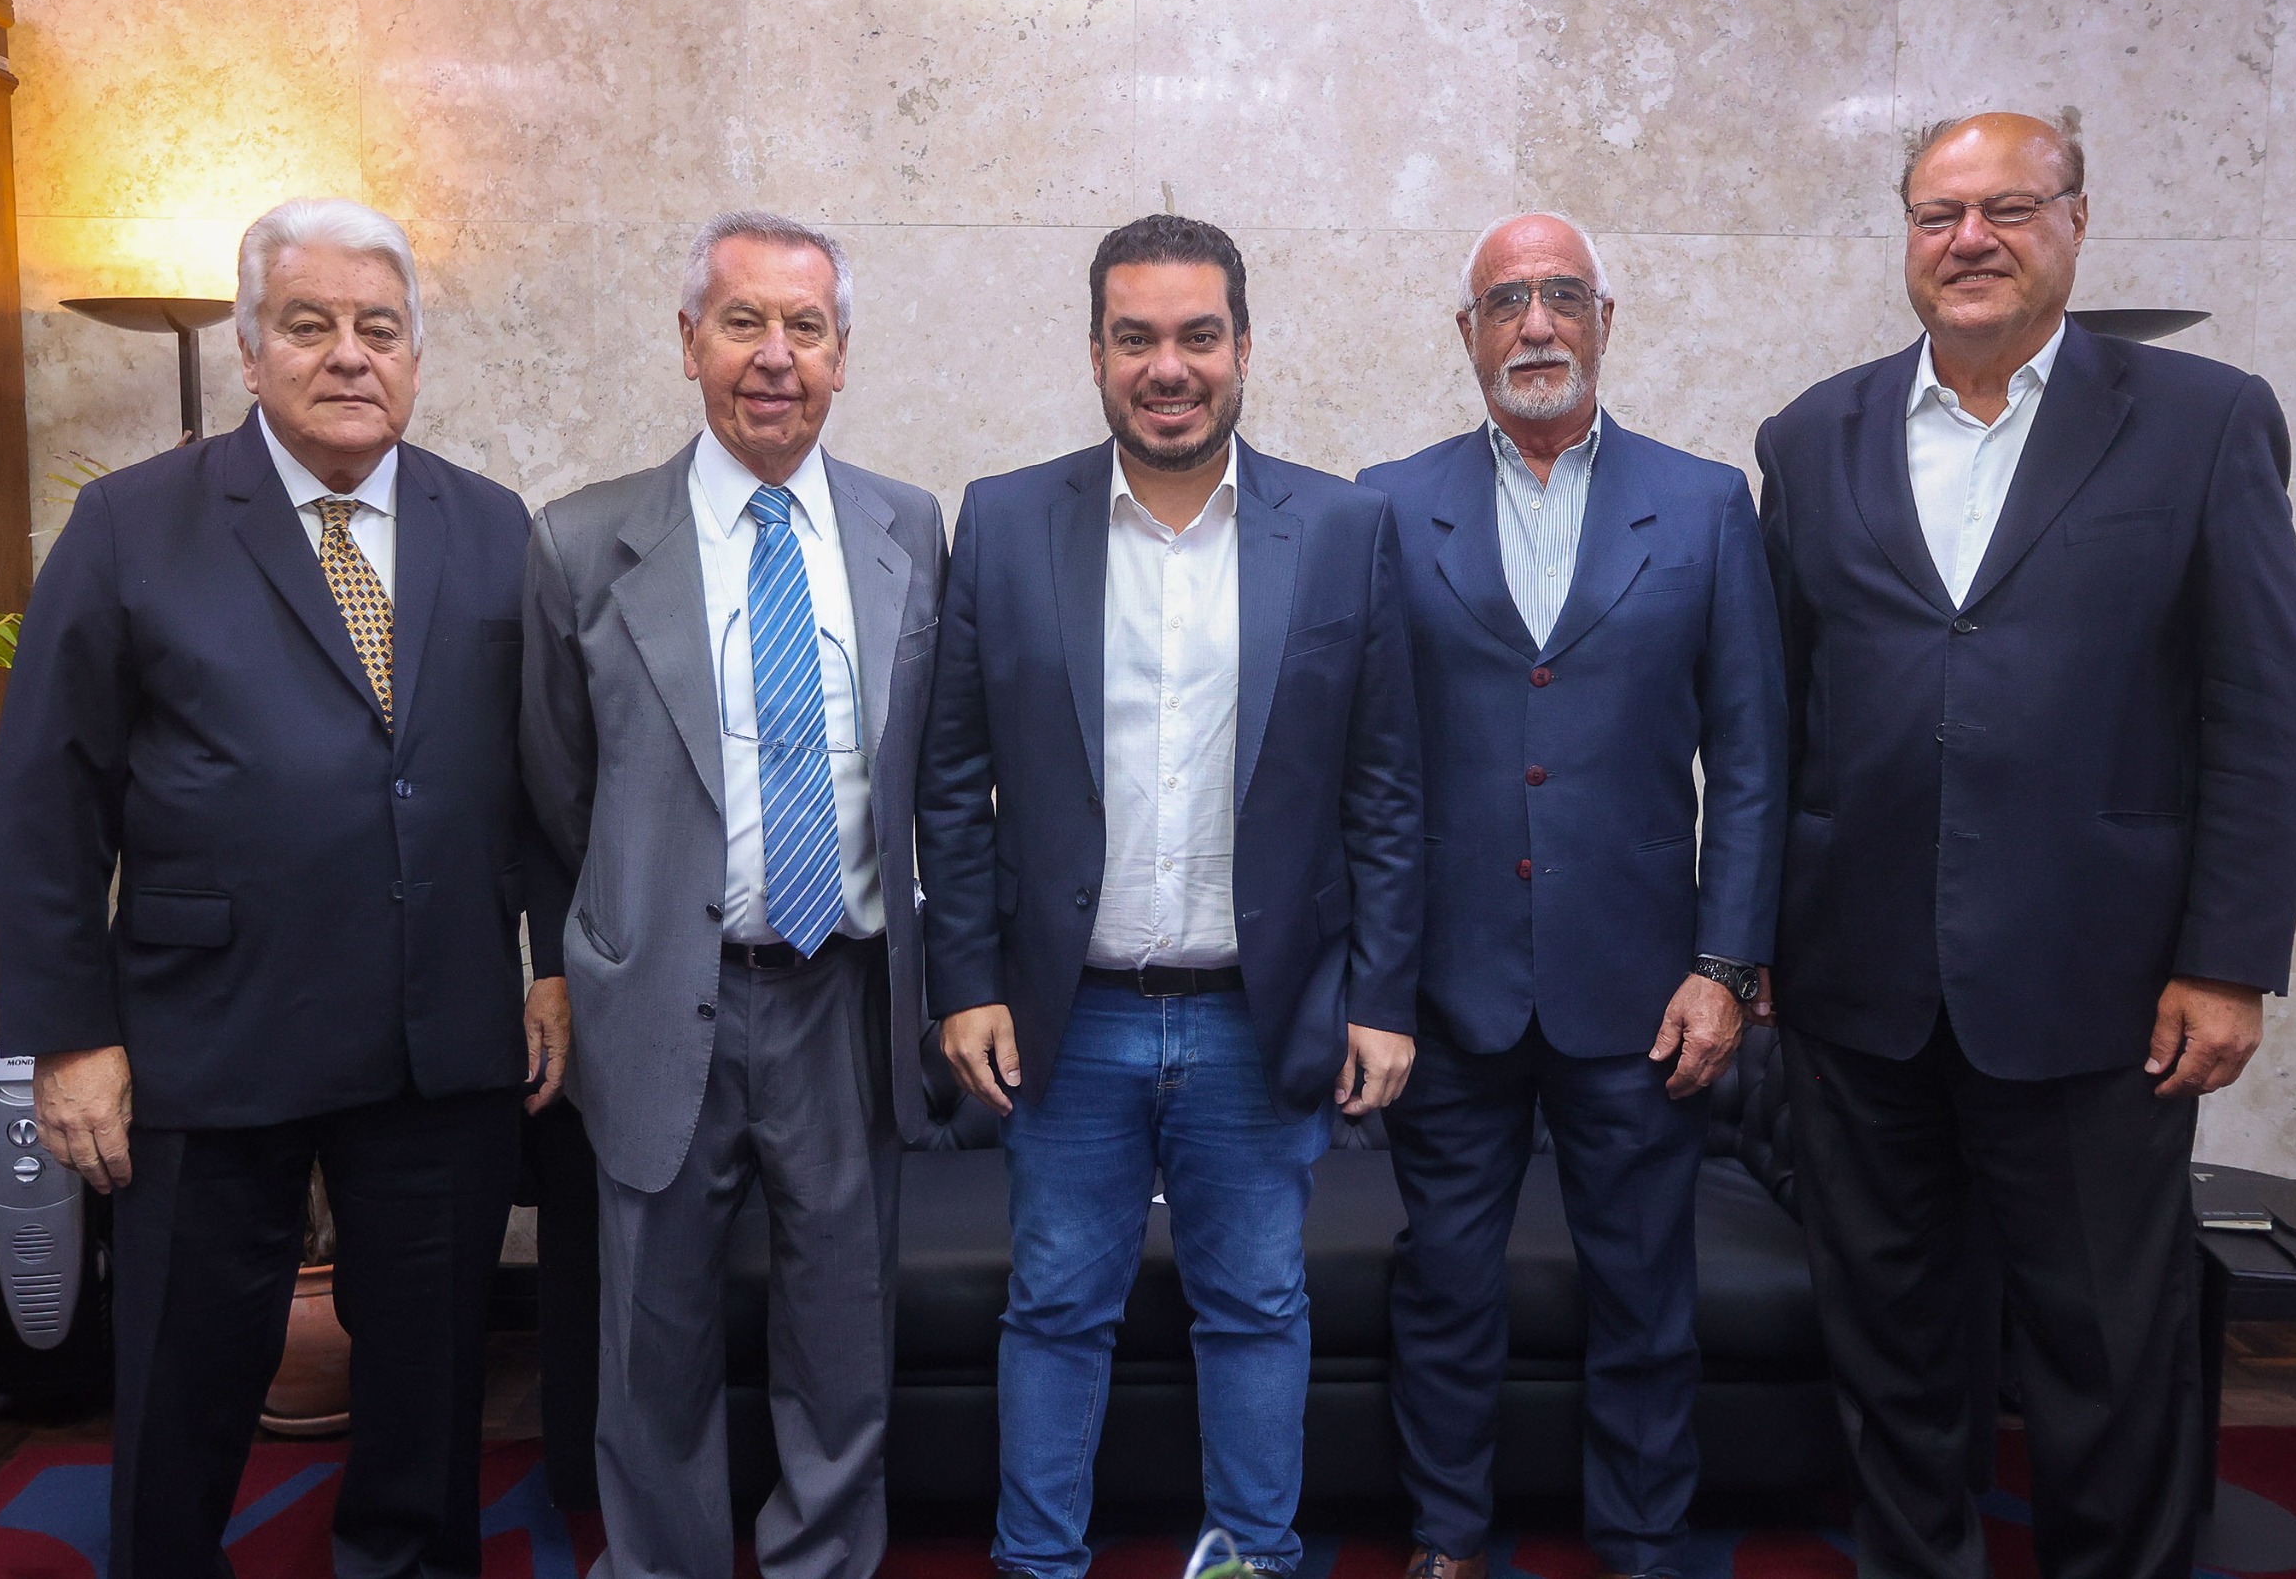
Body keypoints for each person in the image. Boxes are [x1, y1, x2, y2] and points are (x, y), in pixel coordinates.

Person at [1755, 111, 2296, 1579]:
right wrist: (1754, 942)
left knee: (2106, 1357)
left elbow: (2259, 708)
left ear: (2076, 220)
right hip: (1856, 986)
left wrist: (2229, 960)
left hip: (2100, 985)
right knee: (1891, 1350)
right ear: (1906, 235)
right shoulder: (1809, 437)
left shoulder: (2203, 420)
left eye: (2009, 207)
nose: (1971, 240)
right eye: (1939, 213)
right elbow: (1782, 719)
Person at [0, 197, 571, 1578]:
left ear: (416, 354)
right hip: (212, 1029)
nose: (349, 354)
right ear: (249, 351)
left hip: (438, 1037)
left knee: (430, 1380)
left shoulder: (492, 525)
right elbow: (47, 795)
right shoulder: (133, 522)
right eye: (310, 325)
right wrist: (68, 1037)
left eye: (380, 327)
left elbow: (540, 775)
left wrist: (547, 962)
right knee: (186, 1375)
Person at [918, 214, 1424, 1579]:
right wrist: (964, 978)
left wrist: (1382, 995)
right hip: (1066, 1016)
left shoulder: (1342, 528)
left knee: (1257, 1310)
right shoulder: (1006, 521)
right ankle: (1038, 1565)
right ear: (1094, 353)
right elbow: (952, 779)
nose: (1169, 366)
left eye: (1199, 335)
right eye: (1135, 337)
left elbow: (1384, 786)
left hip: (1259, 1016)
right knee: (1055, 1310)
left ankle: (1250, 1562)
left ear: (1244, 347)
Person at [1359, 212, 1785, 1579]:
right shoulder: (1387, 504)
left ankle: (1643, 1542)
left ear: (1606, 319)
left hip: (1644, 990)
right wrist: (1372, 980)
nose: (1534, 322)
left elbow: (1755, 758)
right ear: (1466, 333)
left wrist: (1726, 965)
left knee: (1647, 1291)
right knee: (1444, 1285)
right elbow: (1367, 760)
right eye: (1506, 300)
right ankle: (1445, 1535)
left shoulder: (1706, 504)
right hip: (1450, 986)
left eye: (1560, 294)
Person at [520, 210, 945, 1579]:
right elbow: (556, 789)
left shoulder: (908, 529)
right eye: (743, 322)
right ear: (689, 340)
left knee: (843, 1329)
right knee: (653, 1335)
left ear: (843, 355)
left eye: (805, 327)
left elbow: (930, 768)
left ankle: (824, 1561)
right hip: (658, 998)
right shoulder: (583, 543)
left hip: (844, 999)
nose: (775, 356)